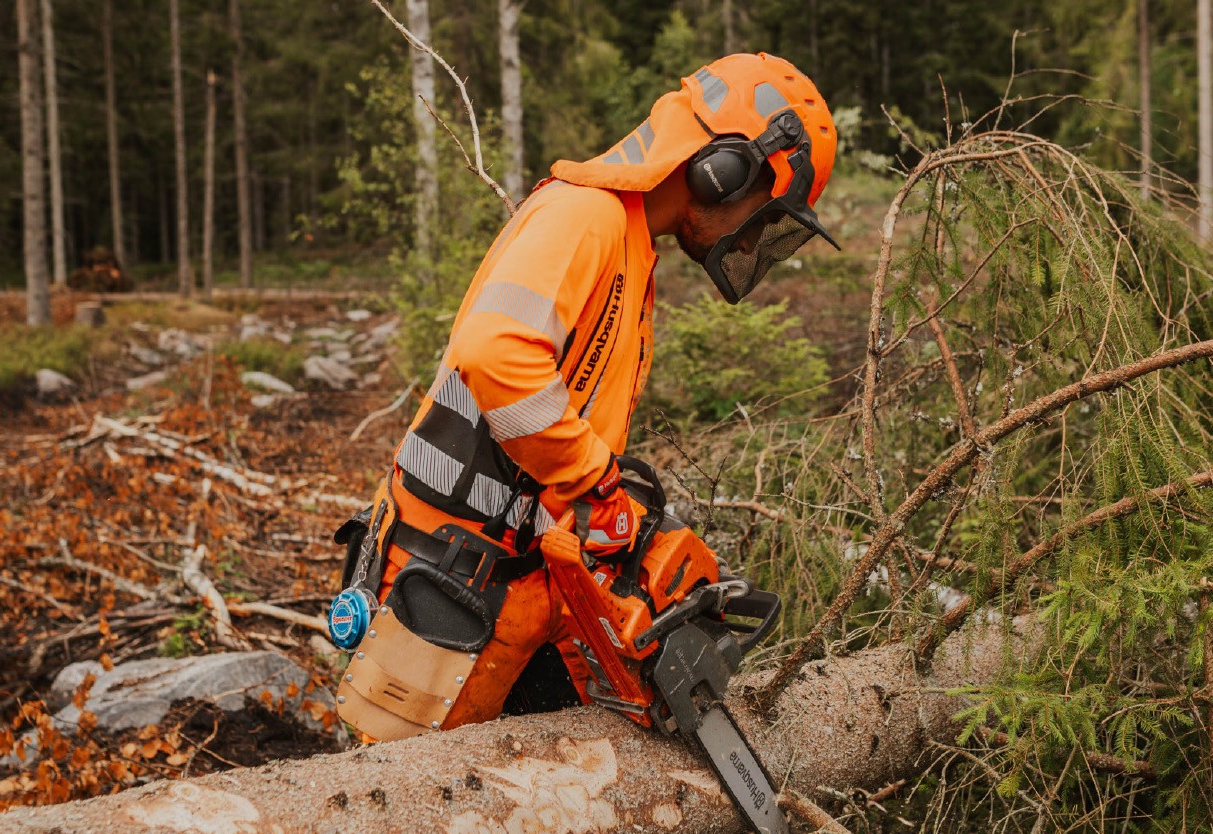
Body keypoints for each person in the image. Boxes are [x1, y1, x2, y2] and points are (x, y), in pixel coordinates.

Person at [334, 52, 839, 742]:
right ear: (725, 170)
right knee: (404, 816)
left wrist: (609, 513)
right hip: (451, 572)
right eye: (762, 211)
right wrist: (592, 480)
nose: (754, 233)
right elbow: (497, 355)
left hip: (507, 569)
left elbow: (561, 411)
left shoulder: (627, 240)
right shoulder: (585, 218)